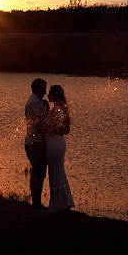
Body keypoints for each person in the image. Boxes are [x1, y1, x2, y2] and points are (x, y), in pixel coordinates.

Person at [44, 84, 74, 212]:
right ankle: (64, 202)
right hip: (59, 143)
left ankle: (57, 204)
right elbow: (66, 130)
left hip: (54, 143)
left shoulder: (56, 110)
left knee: (55, 172)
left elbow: (50, 128)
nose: (48, 95)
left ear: (55, 95)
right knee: (59, 171)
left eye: (50, 93)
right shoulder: (62, 108)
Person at [24, 78, 49, 210]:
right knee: (38, 172)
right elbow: (40, 125)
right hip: (36, 143)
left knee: (37, 172)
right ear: (38, 89)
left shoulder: (37, 101)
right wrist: (53, 130)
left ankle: (36, 203)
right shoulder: (34, 102)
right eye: (44, 88)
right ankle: (37, 203)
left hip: (33, 141)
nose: (45, 91)